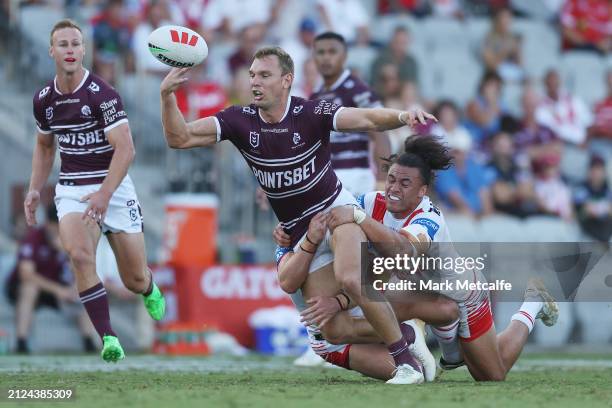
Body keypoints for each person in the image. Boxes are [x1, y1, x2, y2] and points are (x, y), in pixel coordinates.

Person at [159, 46, 437, 384]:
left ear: (286, 80)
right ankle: (406, 336)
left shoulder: (310, 112)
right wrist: (167, 97)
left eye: (264, 75)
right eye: (251, 75)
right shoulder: (238, 120)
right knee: (331, 332)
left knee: (352, 278)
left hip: (339, 213)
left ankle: (404, 363)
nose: (255, 82)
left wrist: (403, 116)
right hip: (303, 234)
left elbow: (364, 118)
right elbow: (179, 137)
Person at [325, 135, 560, 381]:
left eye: (405, 183)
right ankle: (427, 341)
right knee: (372, 306)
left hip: (463, 293)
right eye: (391, 180)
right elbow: (334, 216)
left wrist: (360, 219)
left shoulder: (429, 217)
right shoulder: (372, 202)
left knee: (491, 375)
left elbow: (403, 251)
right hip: (421, 290)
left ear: (422, 191)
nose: (394, 188)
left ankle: (532, 305)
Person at [25, 19, 166, 362]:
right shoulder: (44, 100)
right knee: (79, 255)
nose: (70, 50)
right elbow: (45, 148)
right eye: (63, 44)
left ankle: (148, 286)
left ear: (84, 50)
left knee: (132, 278)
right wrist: (34, 189)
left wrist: (104, 194)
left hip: (113, 187)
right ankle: (108, 337)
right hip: (72, 188)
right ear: (52, 51)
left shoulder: (102, 94)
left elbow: (127, 150)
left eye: (76, 44)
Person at [274, 212, 450, 383]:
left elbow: (374, 276)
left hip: (361, 310)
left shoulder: (343, 226)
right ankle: (406, 334)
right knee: (420, 372)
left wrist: (338, 302)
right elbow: (288, 282)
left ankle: (410, 334)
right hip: (331, 342)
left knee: (444, 307)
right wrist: (309, 241)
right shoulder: (288, 240)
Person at [5, 204, 97, 354]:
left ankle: (89, 341)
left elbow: (81, 270)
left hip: (55, 289)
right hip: (22, 288)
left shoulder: (69, 239)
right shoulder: (33, 238)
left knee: (82, 290)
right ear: (47, 223)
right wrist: (58, 290)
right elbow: (26, 274)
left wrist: (67, 253)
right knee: (30, 289)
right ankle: (21, 341)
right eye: (55, 226)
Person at [311, 32, 391, 194]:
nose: (326, 58)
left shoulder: (357, 90)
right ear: (314, 57)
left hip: (355, 178)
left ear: (344, 56)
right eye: (321, 52)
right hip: (325, 178)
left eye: (332, 52)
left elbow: (381, 133)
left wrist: (382, 181)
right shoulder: (315, 97)